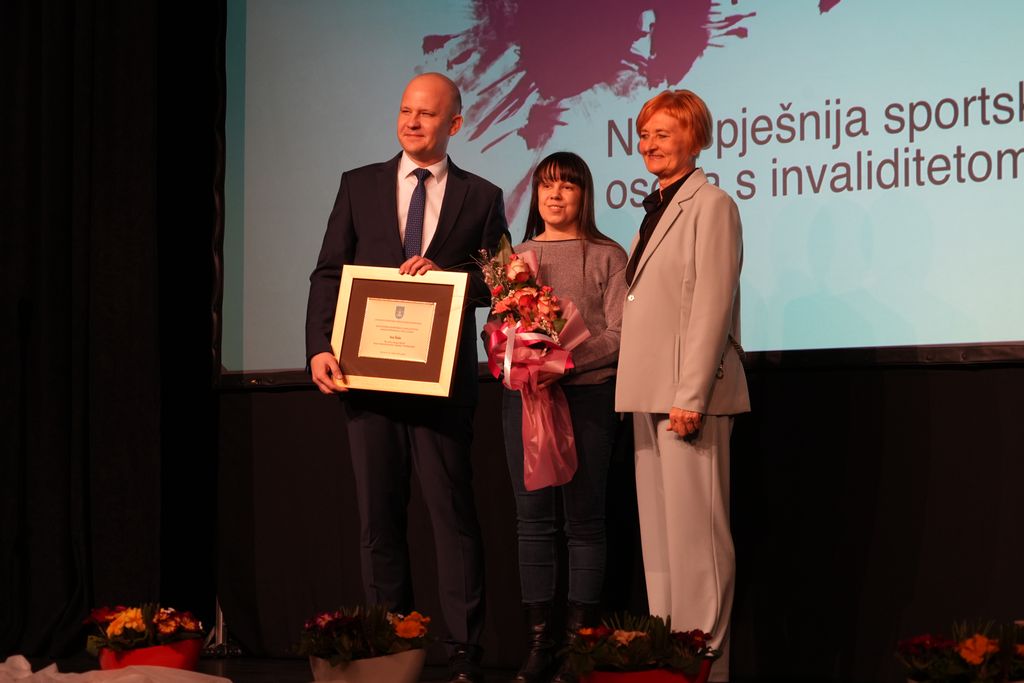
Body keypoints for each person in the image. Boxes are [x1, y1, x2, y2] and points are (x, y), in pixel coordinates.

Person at [305, 72, 509, 683]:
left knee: (453, 518)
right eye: (405, 111)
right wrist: (319, 347)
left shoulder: (482, 195)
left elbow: (499, 284)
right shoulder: (359, 184)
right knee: (379, 522)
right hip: (367, 379)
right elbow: (329, 272)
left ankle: (464, 651)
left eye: (427, 114)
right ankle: (391, 645)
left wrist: (448, 277)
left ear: (455, 124)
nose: (412, 122)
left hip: (442, 385)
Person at [614, 90, 750, 683]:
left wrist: (689, 396)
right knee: (662, 546)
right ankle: (669, 660)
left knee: (698, 543)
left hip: (685, 398)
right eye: (645, 134)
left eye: (663, 133)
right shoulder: (656, 210)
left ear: (694, 138)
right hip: (647, 393)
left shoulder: (711, 205)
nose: (649, 144)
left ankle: (706, 667)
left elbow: (712, 307)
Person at [501, 152, 627, 683]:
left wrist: (565, 362)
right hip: (528, 400)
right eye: (547, 186)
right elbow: (499, 333)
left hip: (589, 398)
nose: (555, 195)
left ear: (584, 195)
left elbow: (622, 333)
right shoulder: (515, 258)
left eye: (568, 186)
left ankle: (579, 648)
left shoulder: (608, 255)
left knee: (585, 521)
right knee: (533, 522)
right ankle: (540, 645)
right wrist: (523, 361)